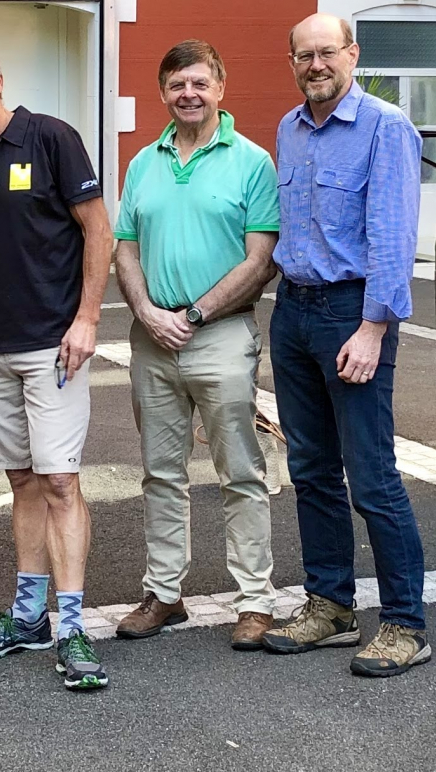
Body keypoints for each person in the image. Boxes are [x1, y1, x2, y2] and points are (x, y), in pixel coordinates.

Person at [0, 39, 115, 693]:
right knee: (22, 482)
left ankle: (70, 625)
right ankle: (27, 616)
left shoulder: (51, 139)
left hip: (52, 348)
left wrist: (88, 318)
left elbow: (99, 228)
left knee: (61, 483)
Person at [263, 14, 431, 678]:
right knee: (309, 471)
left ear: (352, 55)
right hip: (294, 313)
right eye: (302, 55)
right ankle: (330, 607)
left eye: (326, 52)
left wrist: (373, 327)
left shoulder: (385, 128)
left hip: (349, 316)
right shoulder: (289, 128)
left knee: (373, 475)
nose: (314, 65)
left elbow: (392, 235)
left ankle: (405, 624)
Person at [111, 40, 283, 650]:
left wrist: (194, 312)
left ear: (220, 88)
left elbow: (261, 259)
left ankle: (255, 602)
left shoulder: (253, 161)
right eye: (178, 84)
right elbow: (125, 245)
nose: (189, 94)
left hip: (220, 337)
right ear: (164, 92)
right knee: (160, 474)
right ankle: (163, 594)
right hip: (152, 340)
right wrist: (146, 312)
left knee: (240, 473)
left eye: (200, 84)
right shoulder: (142, 163)